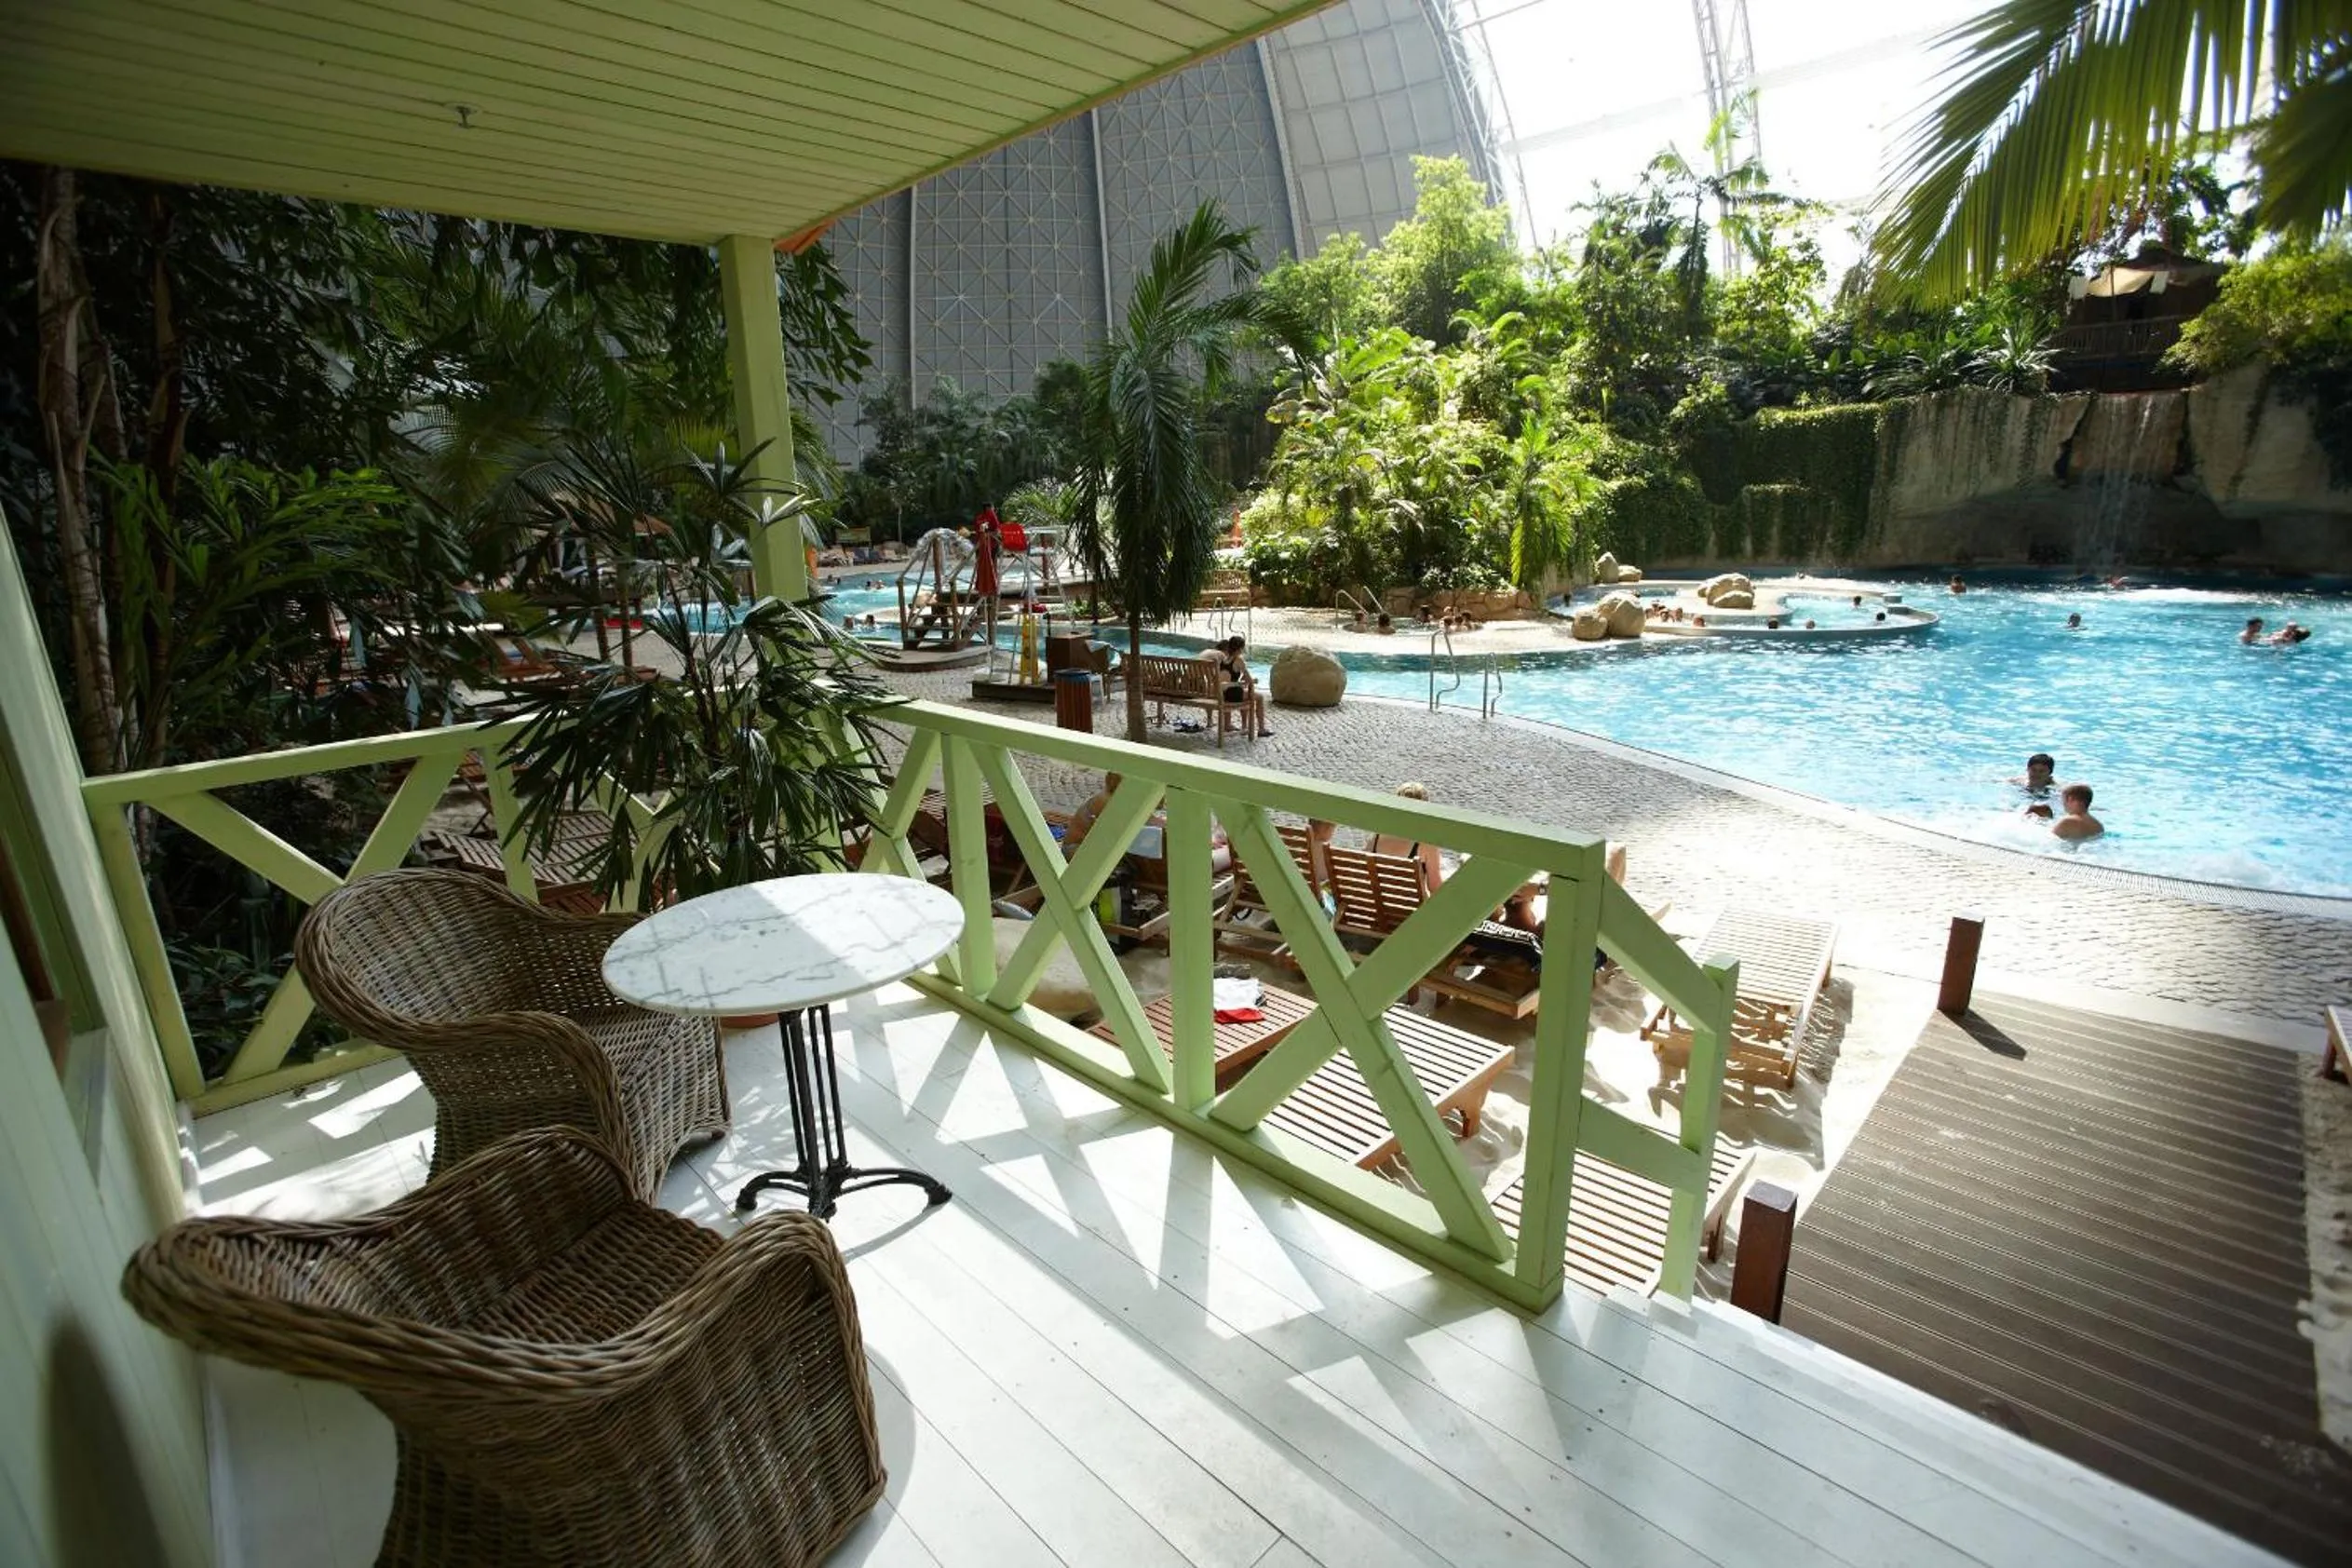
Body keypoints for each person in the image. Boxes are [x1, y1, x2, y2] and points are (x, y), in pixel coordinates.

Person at [1210, 635, 1274, 737]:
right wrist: (1253, 680)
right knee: (1260, 697)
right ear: (1240, 648)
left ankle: (1230, 724)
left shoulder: (1223, 660)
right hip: (1232, 695)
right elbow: (1249, 679)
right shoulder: (1238, 660)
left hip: (1221, 694)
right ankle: (1261, 729)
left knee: (1243, 691)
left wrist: (1239, 682)